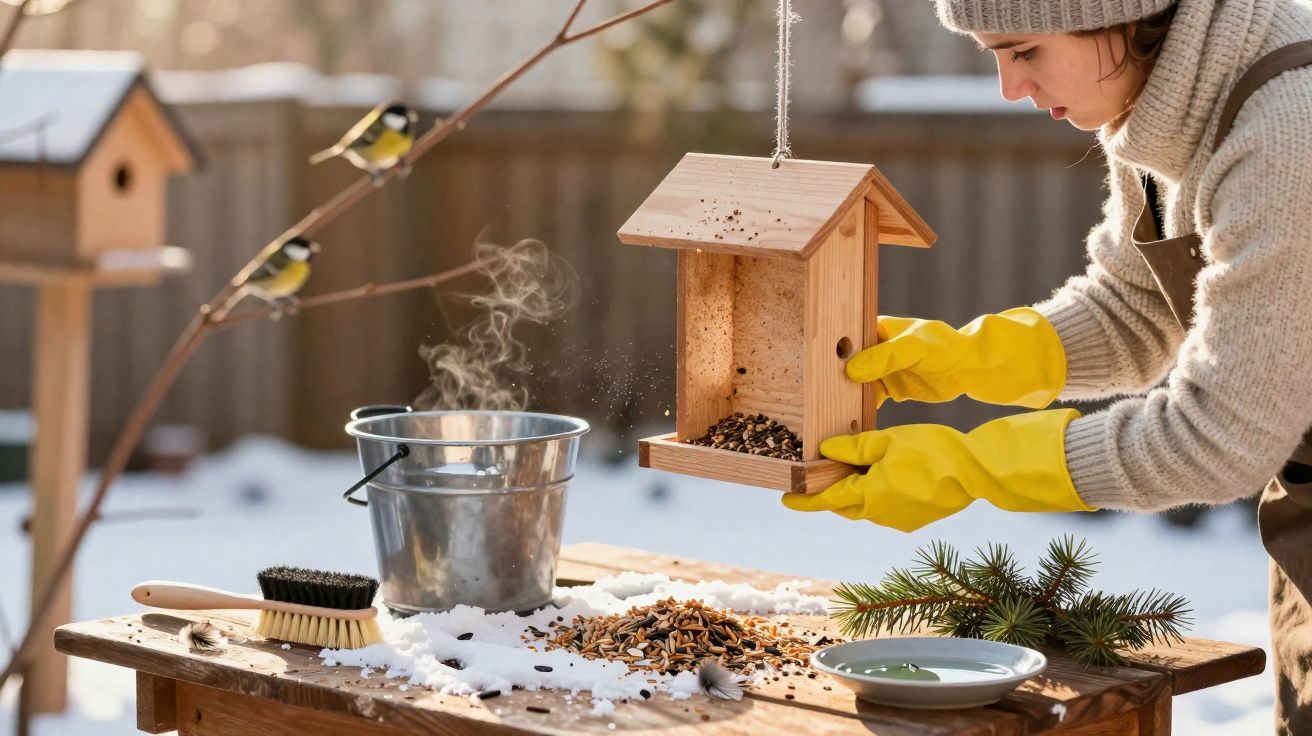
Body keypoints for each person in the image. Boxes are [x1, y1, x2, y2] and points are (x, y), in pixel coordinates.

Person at [778, 0, 1312, 730]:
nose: (1008, 88)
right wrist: (965, 357)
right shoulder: (1163, 103)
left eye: (1024, 51)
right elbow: (1136, 308)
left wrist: (974, 468)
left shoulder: (1289, 132)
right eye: (990, 55)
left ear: (1121, 14)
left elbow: (1217, 439)